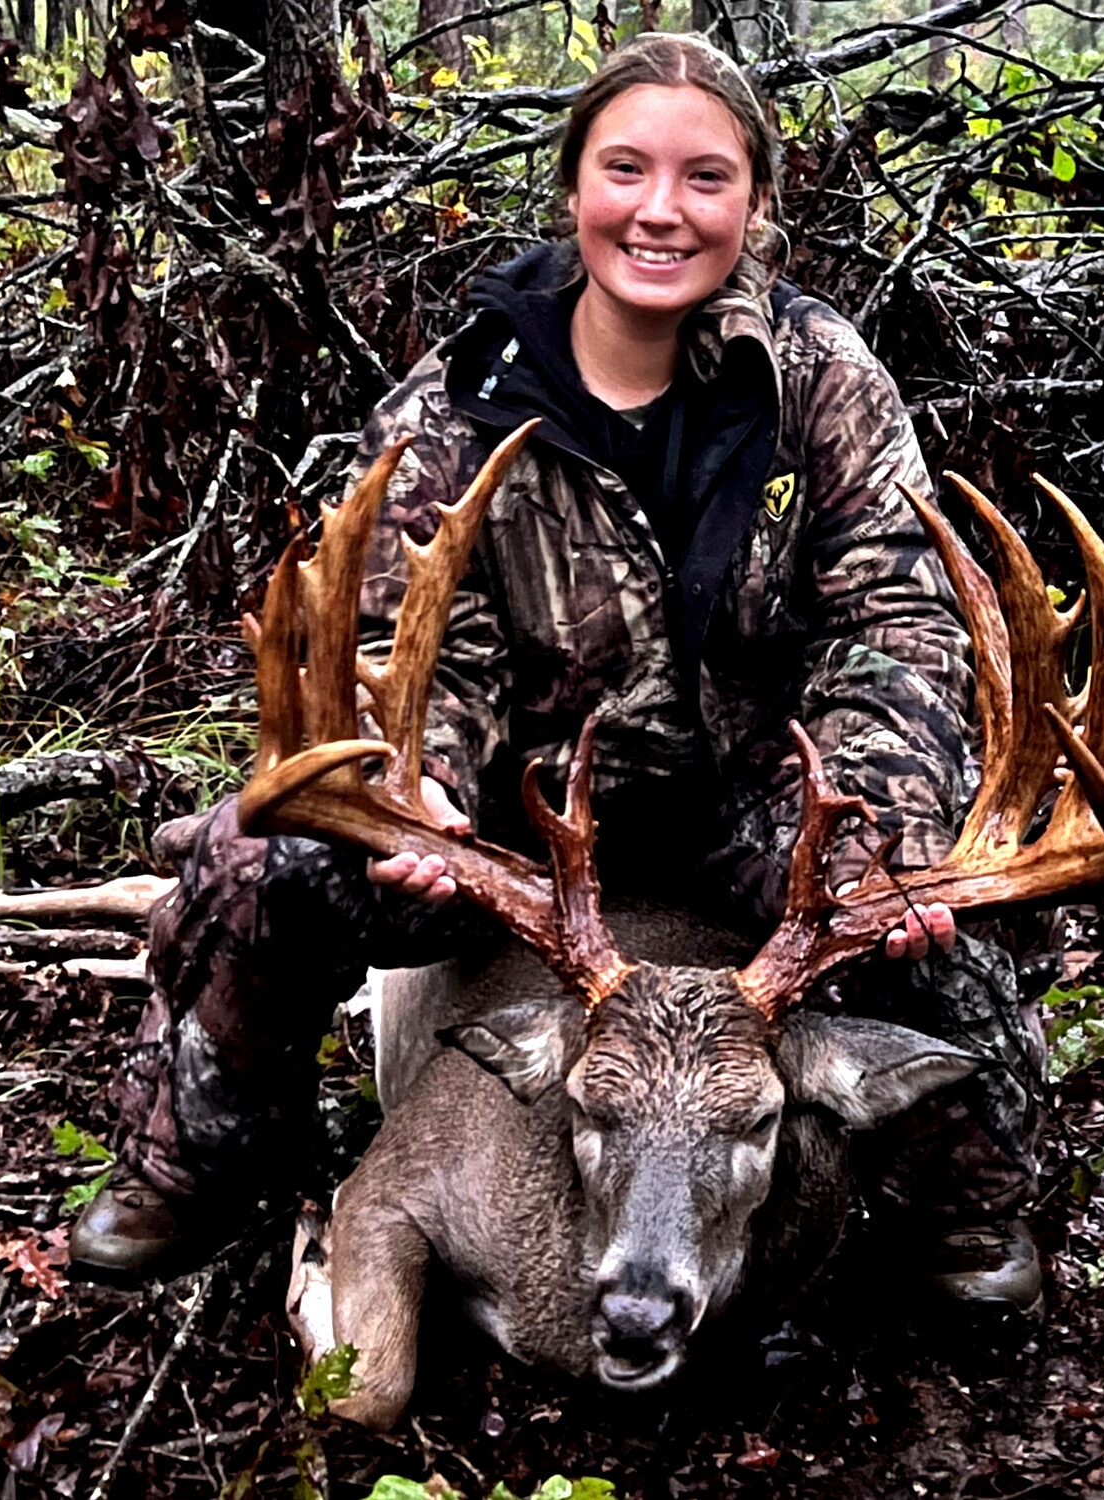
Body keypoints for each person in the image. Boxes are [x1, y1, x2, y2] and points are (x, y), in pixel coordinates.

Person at [71, 32, 1046, 1326]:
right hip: (513, 822)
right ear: (575, 185)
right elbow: (407, 643)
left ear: (754, 200)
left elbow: (899, 630)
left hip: (755, 816)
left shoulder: (822, 387)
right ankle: (199, 1154)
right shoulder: (463, 400)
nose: (661, 208)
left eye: (705, 176)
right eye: (625, 167)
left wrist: (868, 827)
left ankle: (955, 1199)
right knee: (268, 857)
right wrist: (412, 779)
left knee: (943, 929)